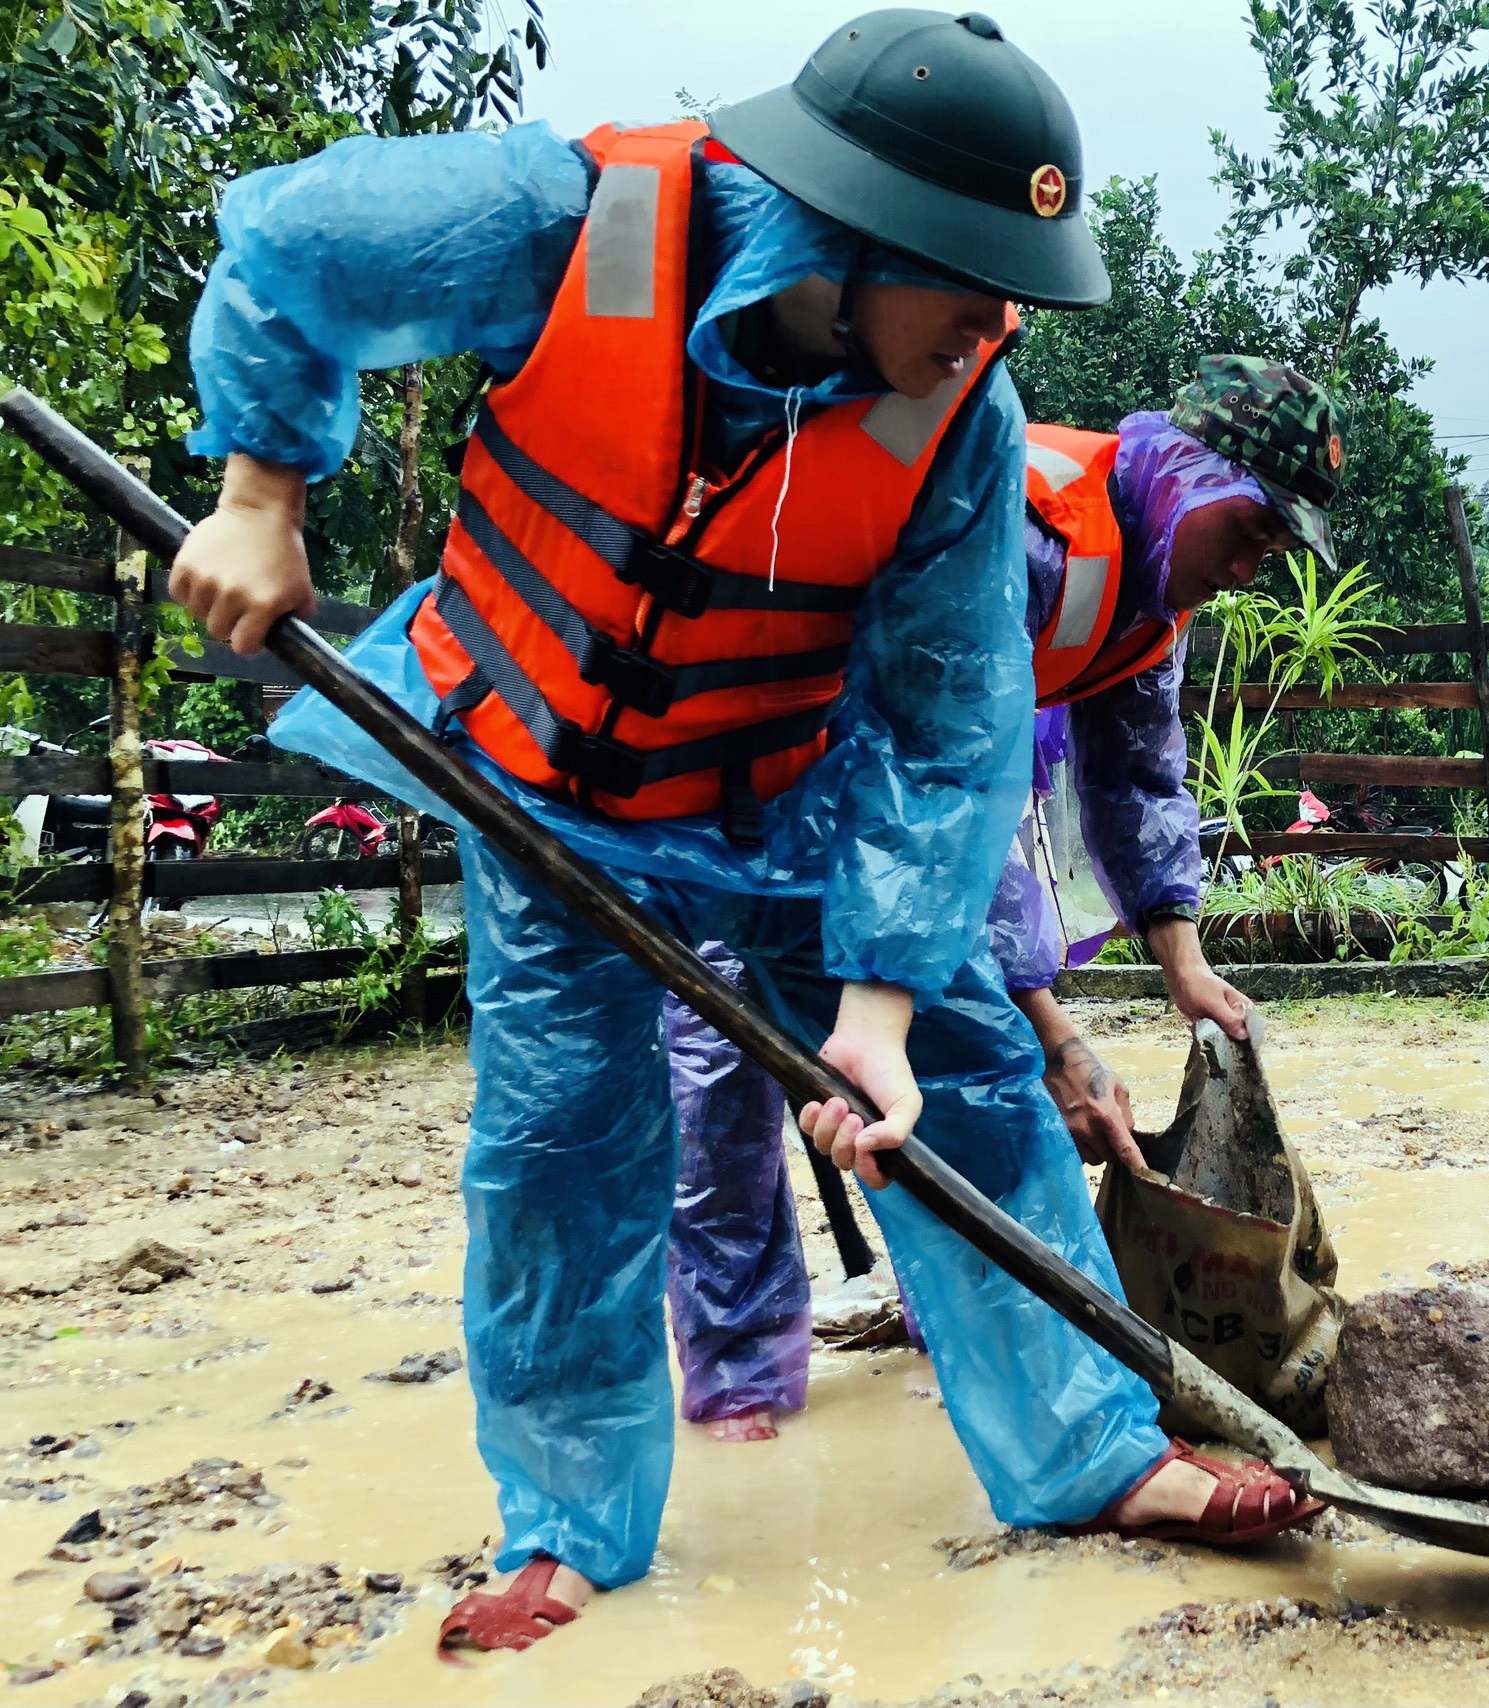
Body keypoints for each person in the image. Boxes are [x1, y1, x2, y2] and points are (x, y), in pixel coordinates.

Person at [169, 12, 1318, 1659]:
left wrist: (877, 1011)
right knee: (565, 1145)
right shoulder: (572, 227)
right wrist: (260, 497)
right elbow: (292, 244)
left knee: (971, 1089)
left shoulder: (965, 423)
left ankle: (1094, 1451)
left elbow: (948, 721)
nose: (995, 324)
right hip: (544, 775)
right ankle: (566, 1527)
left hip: (786, 799)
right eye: (970, 278)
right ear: (848, 231)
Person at [668, 359, 1347, 1442]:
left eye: (1275, 550)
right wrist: (1055, 1035)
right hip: (754, 767)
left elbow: (1138, 781)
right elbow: (949, 776)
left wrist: (1182, 965)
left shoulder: (1149, 596)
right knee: (723, 1066)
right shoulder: (1024, 536)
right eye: (1254, 529)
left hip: (900, 804)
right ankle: (740, 1380)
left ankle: (967, 1330)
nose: (1254, 566)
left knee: (939, 1077)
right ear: (1183, 471)